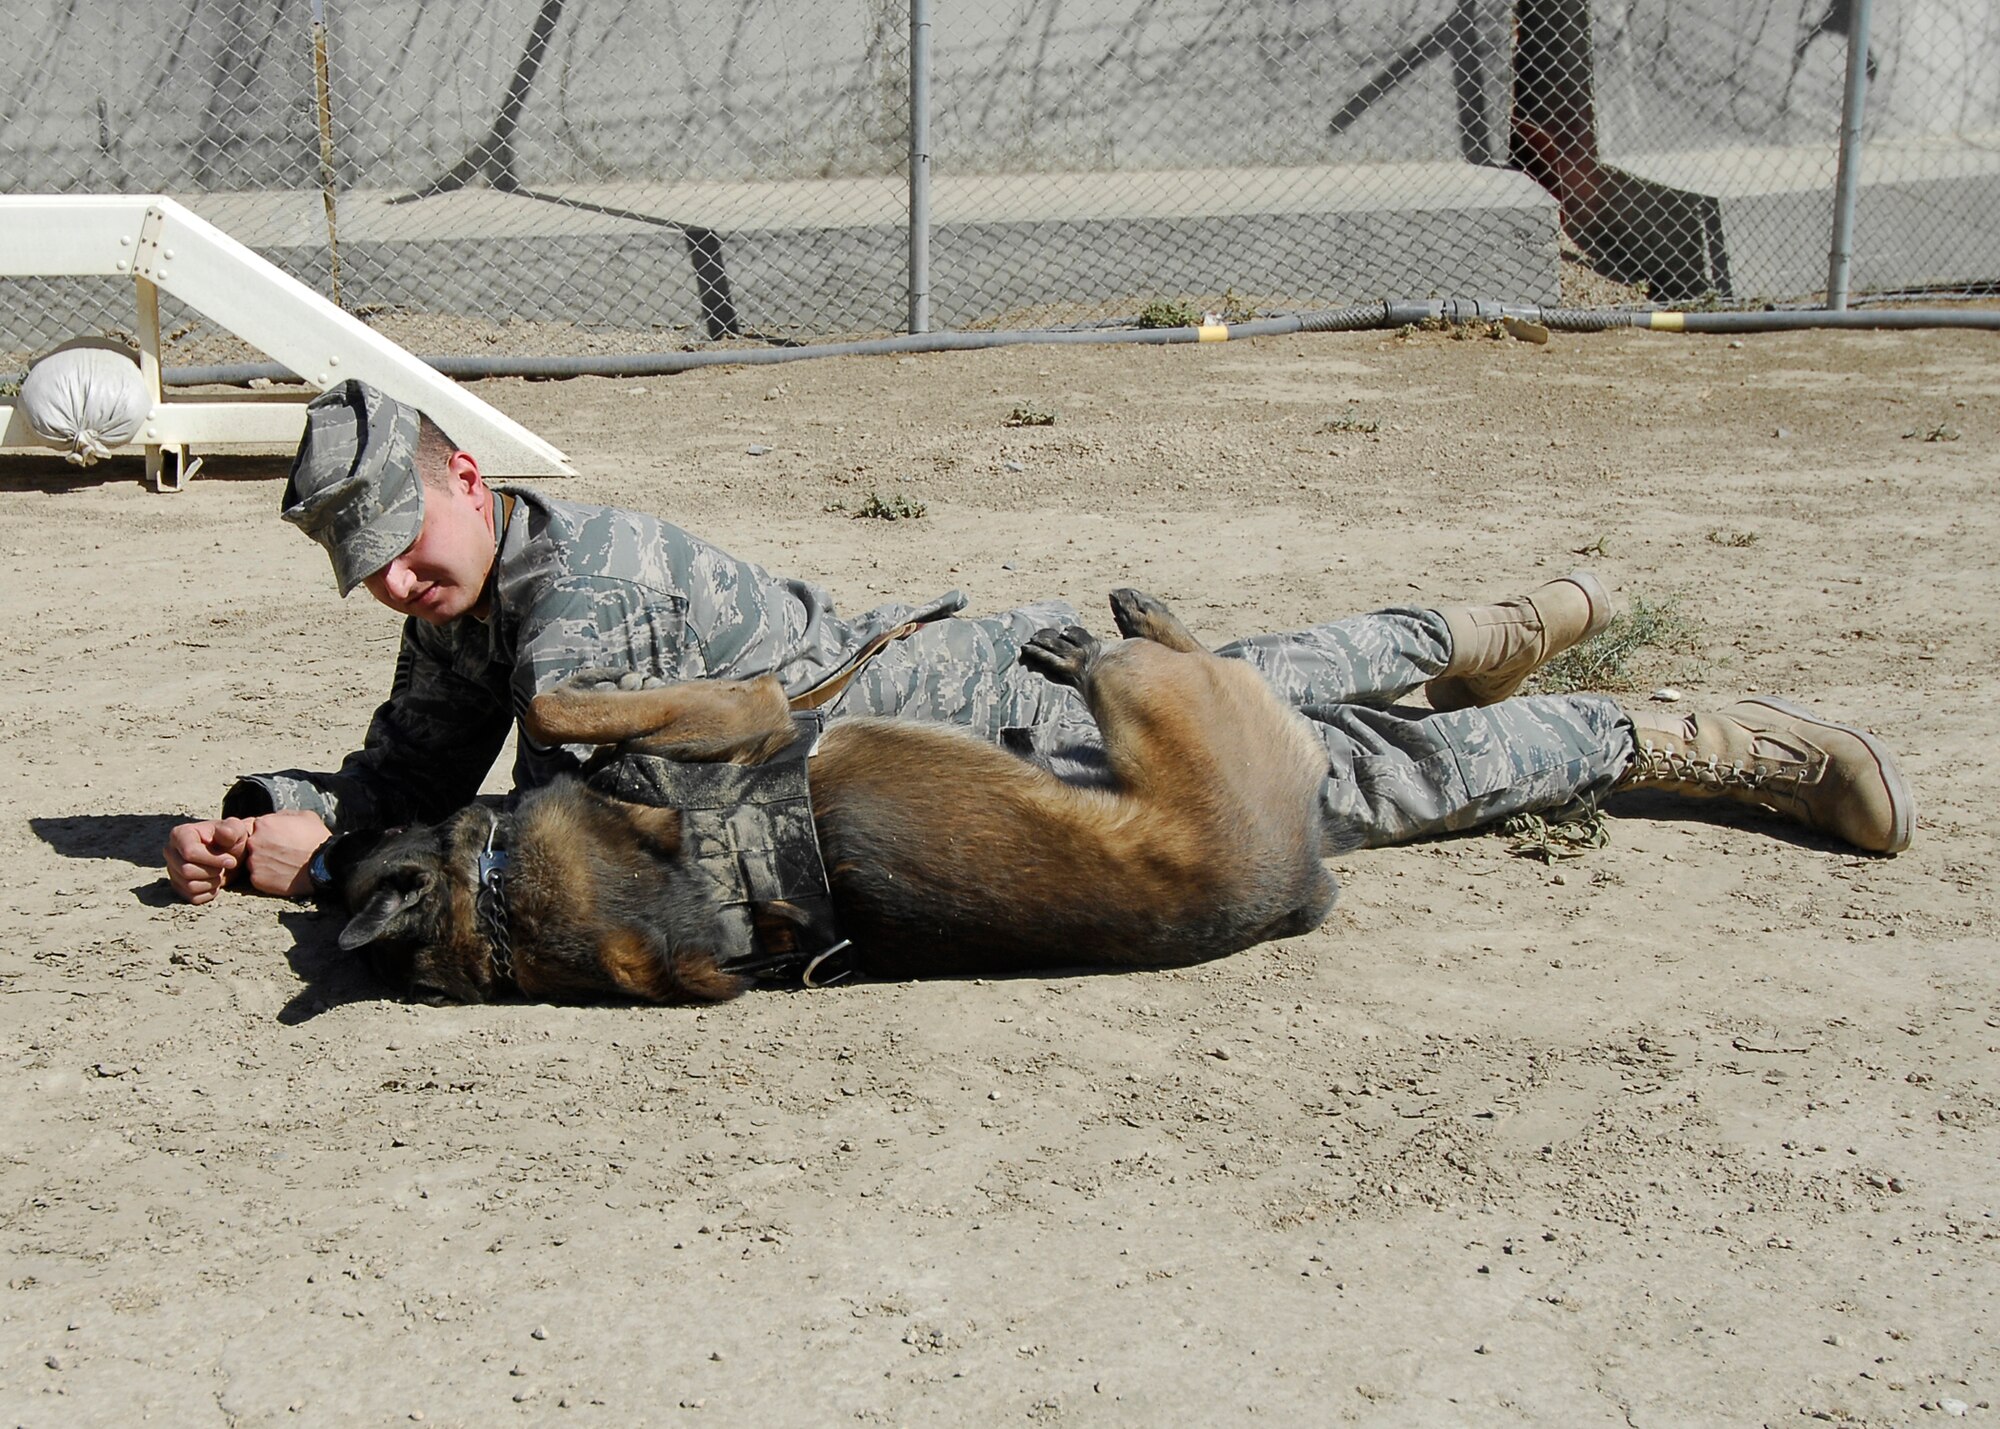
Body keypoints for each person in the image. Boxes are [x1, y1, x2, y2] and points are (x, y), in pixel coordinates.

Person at [163, 381, 1913, 906]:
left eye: (408, 544)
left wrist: (342, 873)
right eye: (374, 575)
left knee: (1334, 779)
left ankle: (1666, 733)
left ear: (466, 476)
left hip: (995, 752)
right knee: (1275, 679)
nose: (400, 584)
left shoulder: (579, 604)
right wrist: (278, 814)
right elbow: (406, 774)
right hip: (962, 706)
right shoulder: (480, 608)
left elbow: (562, 851)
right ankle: (1462, 631)